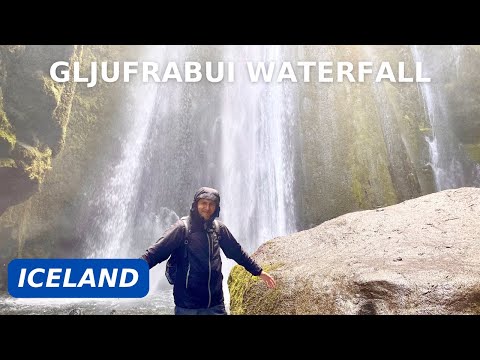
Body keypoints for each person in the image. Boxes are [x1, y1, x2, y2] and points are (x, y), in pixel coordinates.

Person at [140, 186, 276, 315]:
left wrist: (258, 271)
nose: (207, 208)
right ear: (195, 205)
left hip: (215, 305)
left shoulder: (219, 229)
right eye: (203, 203)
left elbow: (237, 252)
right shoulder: (182, 228)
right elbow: (156, 253)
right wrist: (132, 272)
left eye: (212, 204)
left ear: (217, 207)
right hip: (188, 307)